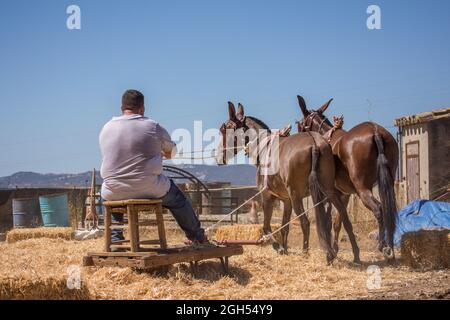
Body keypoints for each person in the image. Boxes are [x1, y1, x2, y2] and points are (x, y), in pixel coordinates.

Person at [99, 89, 207, 248]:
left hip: (113, 189)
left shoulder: (106, 128)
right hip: (148, 187)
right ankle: (197, 237)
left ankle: (116, 241)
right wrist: (162, 153)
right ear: (142, 108)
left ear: (122, 108)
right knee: (178, 200)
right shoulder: (152, 126)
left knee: (110, 197)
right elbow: (172, 152)